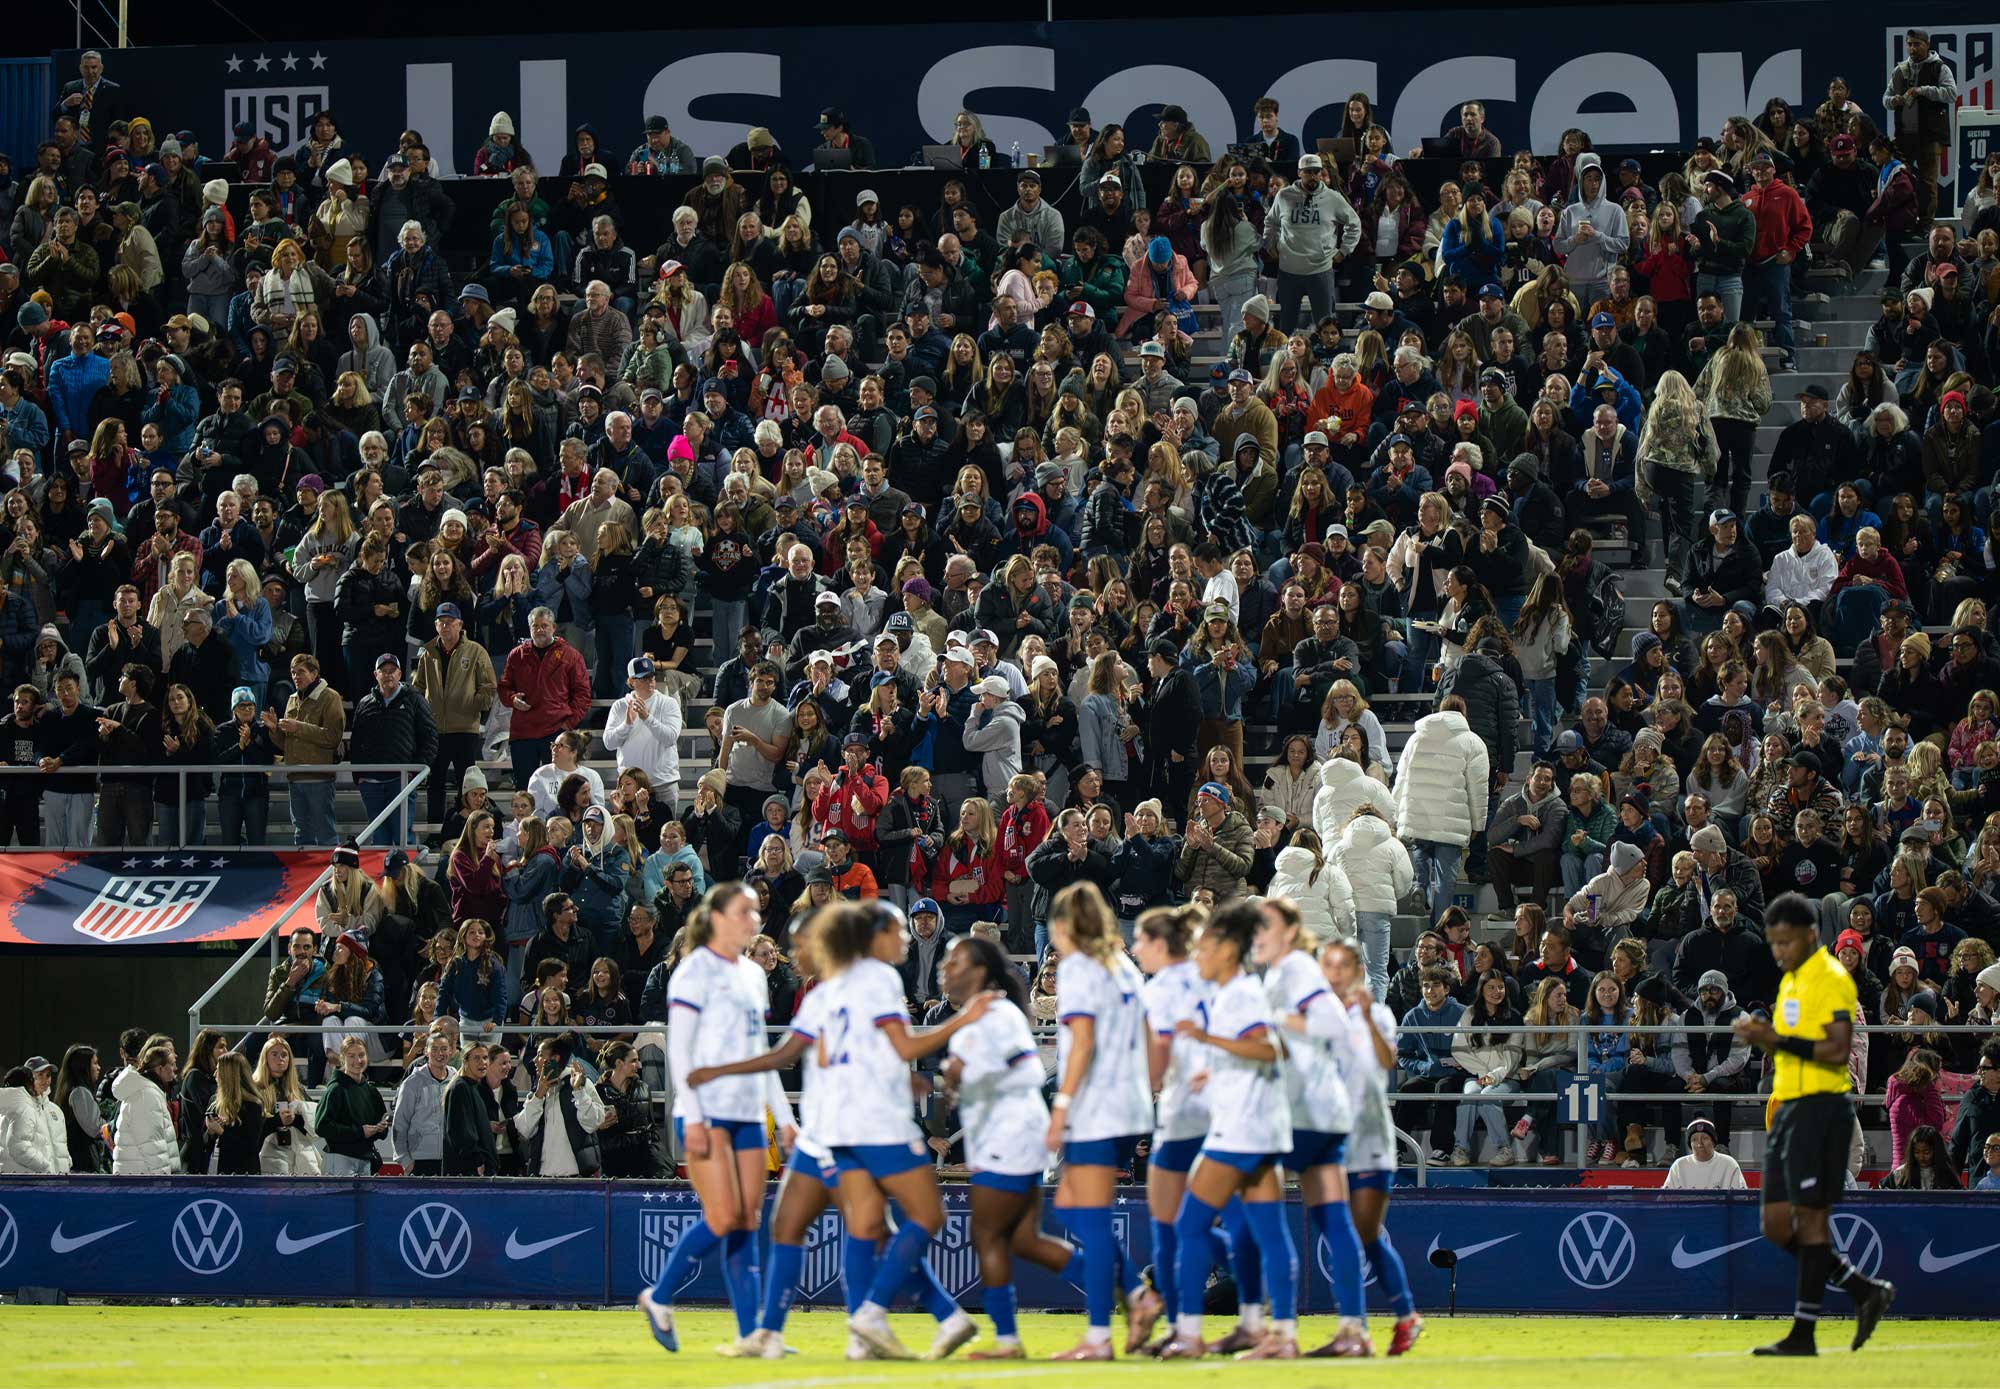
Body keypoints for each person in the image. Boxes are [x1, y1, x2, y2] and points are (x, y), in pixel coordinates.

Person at [1729, 892, 1896, 1356]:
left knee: (1810, 1219)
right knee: (1775, 1225)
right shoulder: (1791, 981)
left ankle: (1803, 1334)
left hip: (1822, 1108)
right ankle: (1863, 1289)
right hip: (1788, 1107)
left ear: (1809, 935)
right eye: (1773, 943)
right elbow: (1790, 1044)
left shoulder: (1831, 979)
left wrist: (1775, 1038)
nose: (1778, 951)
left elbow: (1837, 1050)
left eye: (1785, 942)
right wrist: (1762, 1038)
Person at [638, 884, 800, 1355]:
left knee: (747, 1219)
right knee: (725, 1215)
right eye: (744, 911)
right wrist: (692, 1113)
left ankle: (750, 1335)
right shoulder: (693, 972)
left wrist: (785, 1117)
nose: (754, 918)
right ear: (718, 918)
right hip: (706, 1112)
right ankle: (659, 1295)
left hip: (748, 1113)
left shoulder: (752, 974)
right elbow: (681, 1050)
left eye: (755, 911)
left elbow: (759, 1053)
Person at [1156, 899, 1299, 1361]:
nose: (1197, 954)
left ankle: (1190, 1334)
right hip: (1259, 1125)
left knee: (1191, 1224)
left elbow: (1270, 1049)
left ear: (1226, 950)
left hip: (1242, 1130)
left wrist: (1206, 1040)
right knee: (1268, 1232)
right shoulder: (1233, 992)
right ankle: (1270, 1331)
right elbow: (1259, 1052)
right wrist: (1214, 1068)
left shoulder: (1239, 994)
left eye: (1203, 947)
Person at [1043, 881, 1158, 1360]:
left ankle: (1099, 1336)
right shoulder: (1124, 967)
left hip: (1097, 1106)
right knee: (1074, 1207)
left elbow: (1083, 1042)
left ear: (1066, 925)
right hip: (1130, 1104)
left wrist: (1063, 1105)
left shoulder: (1080, 969)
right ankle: (1135, 1293)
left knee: (1086, 1216)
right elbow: (1151, 1036)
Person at [1662, 1116, 1748, 1189]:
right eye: (1694, 1140)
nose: (1700, 1144)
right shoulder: (1678, 1166)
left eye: (1705, 1138)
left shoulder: (1729, 1164)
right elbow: (1665, 1199)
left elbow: (1741, 1198)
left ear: (1713, 1142)